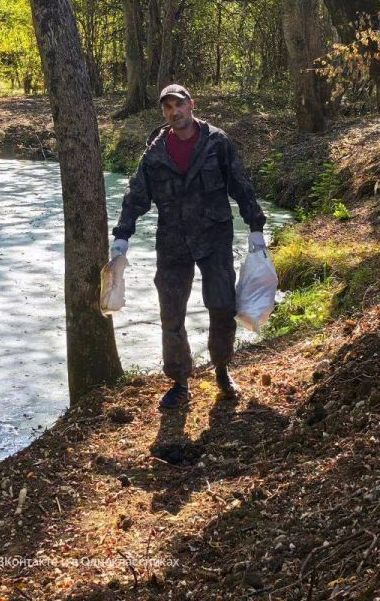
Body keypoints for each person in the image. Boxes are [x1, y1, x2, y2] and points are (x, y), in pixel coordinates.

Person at [111, 84, 267, 410]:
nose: (174, 112)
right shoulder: (154, 154)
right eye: (167, 108)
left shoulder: (217, 143)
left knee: (222, 305)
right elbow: (136, 196)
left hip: (214, 236)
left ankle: (222, 369)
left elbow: (240, 184)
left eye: (178, 105)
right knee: (171, 311)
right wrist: (122, 236)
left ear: (191, 105)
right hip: (172, 240)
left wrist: (255, 226)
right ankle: (180, 382)